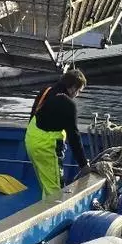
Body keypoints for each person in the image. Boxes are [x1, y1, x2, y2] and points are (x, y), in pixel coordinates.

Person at [25, 69, 89, 198]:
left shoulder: (46, 91)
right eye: (79, 91)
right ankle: (52, 209)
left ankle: (45, 204)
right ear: (73, 88)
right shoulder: (68, 105)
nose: (77, 95)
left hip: (31, 140)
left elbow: (33, 114)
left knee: (46, 183)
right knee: (55, 191)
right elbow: (74, 136)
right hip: (46, 147)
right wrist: (83, 165)